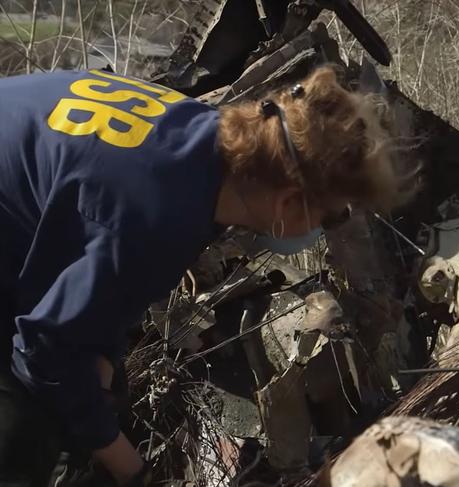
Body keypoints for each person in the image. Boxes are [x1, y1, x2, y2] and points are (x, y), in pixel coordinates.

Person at [0, 65, 409, 486]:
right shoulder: (159, 216)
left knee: (92, 396)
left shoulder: (204, 148)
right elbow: (42, 354)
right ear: (290, 202)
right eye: (333, 215)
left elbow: (99, 284)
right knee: (22, 431)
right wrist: (134, 471)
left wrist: (100, 373)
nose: (329, 226)